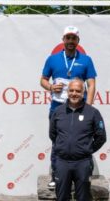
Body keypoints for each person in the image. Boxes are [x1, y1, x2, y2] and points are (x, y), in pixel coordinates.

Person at [44, 79, 106, 201]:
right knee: (61, 200)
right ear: (67, 92)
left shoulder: (92, 113)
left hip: (82, 163)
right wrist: (64, 149)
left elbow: (101, 137)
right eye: (71, 90)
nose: (74, 94)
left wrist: (86, 151)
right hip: (62, 163)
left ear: (83, 93)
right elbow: (53, 135)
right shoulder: (57, 112)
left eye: (78, 91)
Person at [40, 26, 97, 189]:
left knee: (83, 138)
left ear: (78, 41)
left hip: (80, 107)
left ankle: (85, 173)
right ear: (63, 40)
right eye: (68, 38)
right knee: (58, 141)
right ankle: (56, 175)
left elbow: (91, 84)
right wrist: (50, 87)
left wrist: (89, 107)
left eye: (74, 38)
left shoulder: (86, 60)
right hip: (58, 108)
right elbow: (42, 80)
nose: (71, 41)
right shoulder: (52, 59)